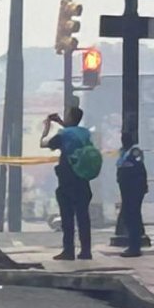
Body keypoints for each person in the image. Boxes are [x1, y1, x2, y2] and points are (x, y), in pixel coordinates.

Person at [40, 106, 93, 260]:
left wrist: (47, 127)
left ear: (70, 117)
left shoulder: (63, 135)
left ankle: (68, 250)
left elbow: (43, 143)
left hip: (67, 181)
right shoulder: (85, 133)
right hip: (83, 179)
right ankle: (86, 250)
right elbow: (73, 133)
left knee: (68, 217)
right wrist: (61, 122)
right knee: (83, 217)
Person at [116, 138, 149, 258]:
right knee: (129, 216)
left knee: (132, 216)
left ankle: (134, 247)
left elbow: (138, 168)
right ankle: (133, 245)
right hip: (126, 190)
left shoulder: (134, 152)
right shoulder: (123, 153)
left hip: (134, 190)